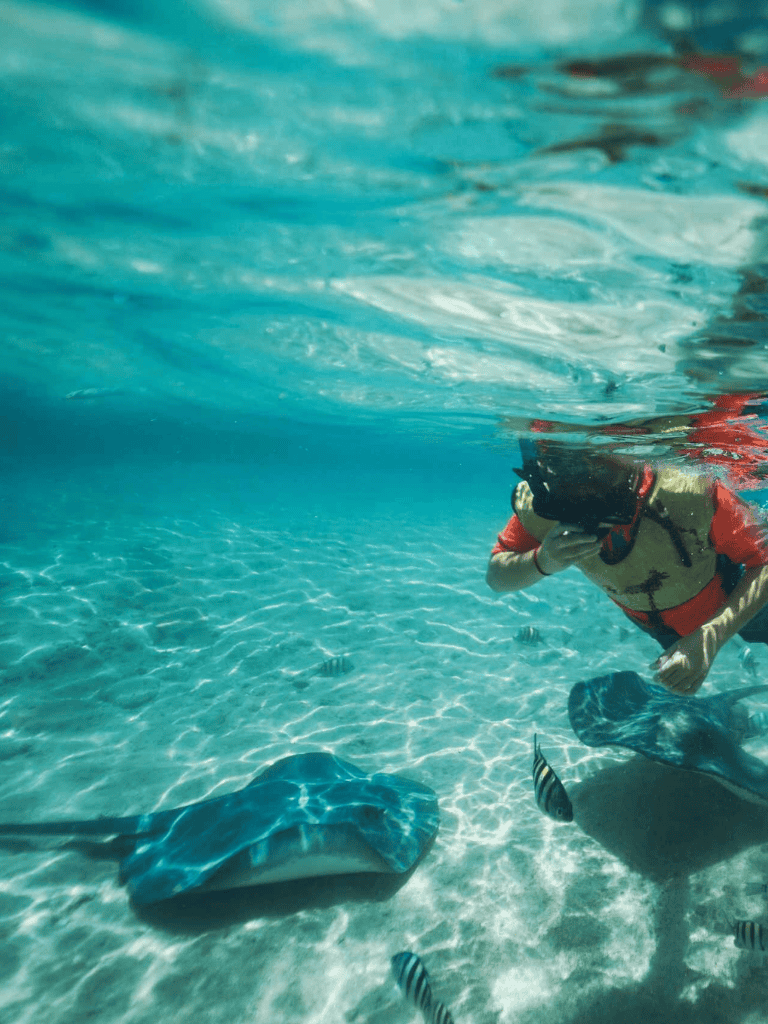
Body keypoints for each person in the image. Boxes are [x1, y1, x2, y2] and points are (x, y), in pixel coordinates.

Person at [486, 440, 768, 695]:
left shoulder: (688, 493)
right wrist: (542, 560)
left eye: (599, 477)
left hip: (736, 600)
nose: (587, 508)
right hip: (661, 627)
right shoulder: (543, 503)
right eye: (568, 490)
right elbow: (496, 578)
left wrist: (712, 636)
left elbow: (764, 561)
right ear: (545, 471)